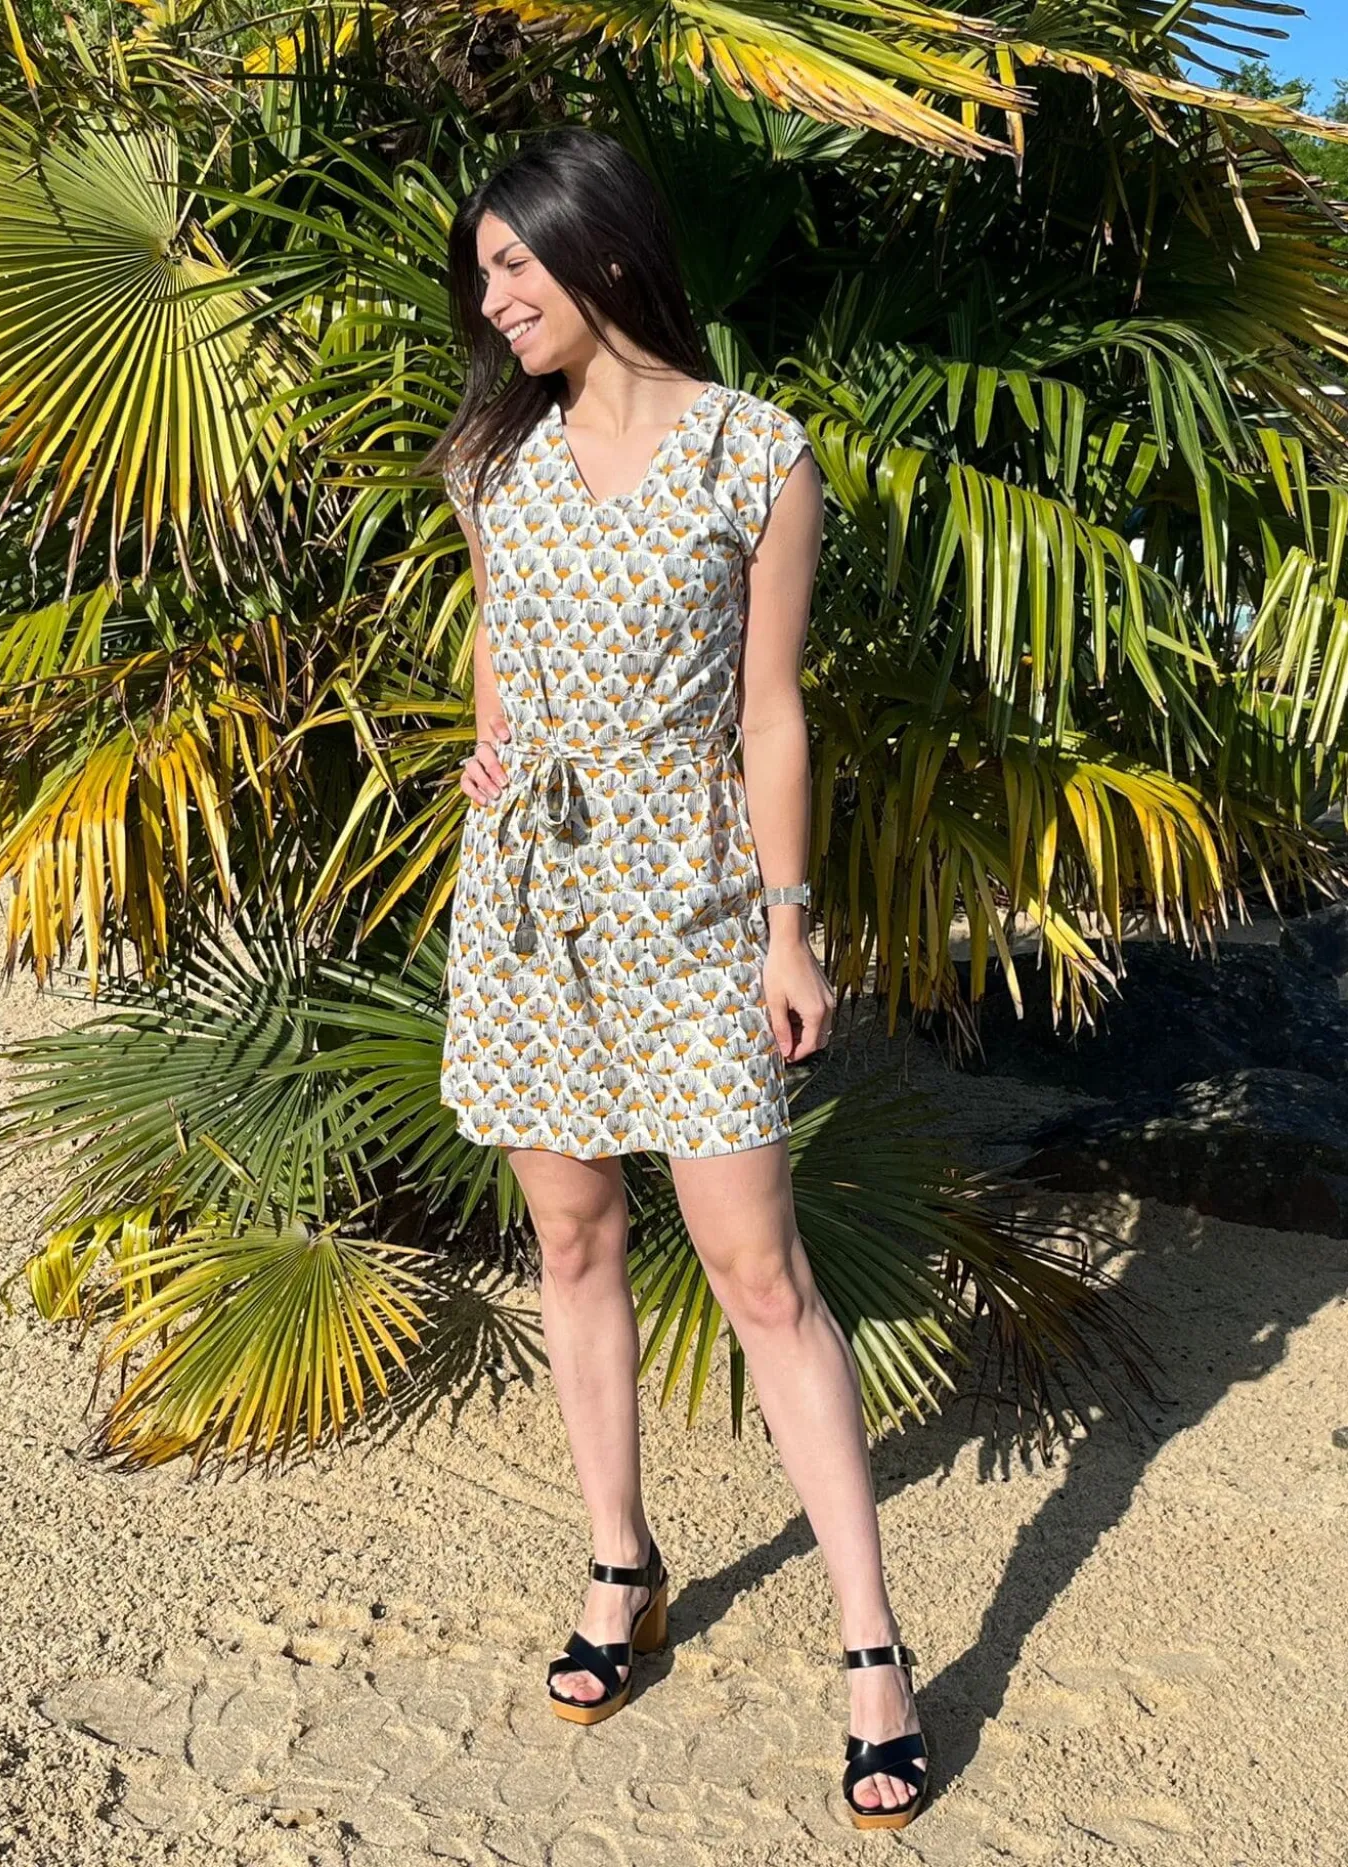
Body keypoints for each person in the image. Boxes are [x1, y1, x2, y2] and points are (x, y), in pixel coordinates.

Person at [424, 126, 929, 1830]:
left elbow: (771, 712)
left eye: (515, 266)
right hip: (529, 904)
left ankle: (872, 1645)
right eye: (483, 276)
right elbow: (498, 650)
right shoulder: (494, 461)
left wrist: (791, 923)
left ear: (606, 251)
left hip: (697, 903)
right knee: (571, 1238)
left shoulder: (753, 451)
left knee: (758, 1271)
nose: (495, 302)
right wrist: (495, 749)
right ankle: (619, 1561)